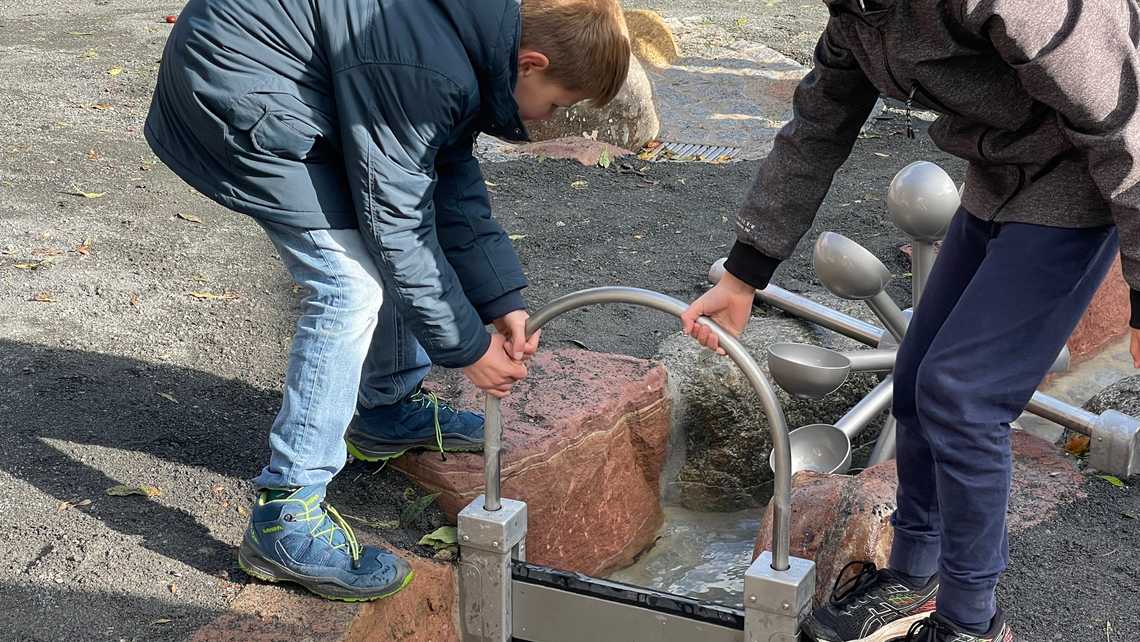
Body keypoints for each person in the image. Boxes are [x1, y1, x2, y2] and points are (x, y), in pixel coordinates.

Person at [682, 2, 1139, 641]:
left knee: (965, 395)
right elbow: (818, 124)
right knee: (920, 373)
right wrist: (744, 272)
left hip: (1086, 178)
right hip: (1000, 172)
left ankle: (972, 624)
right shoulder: (858, 15)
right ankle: (916, 575)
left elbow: (1123, 126)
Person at [145, 0, 629, 601]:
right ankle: (285, 517)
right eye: (557, 104)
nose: (548, 118)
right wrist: (467, 347)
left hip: (305, 80)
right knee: (349, 287)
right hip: (240, 87)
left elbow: (441, 176)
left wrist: (501, 297)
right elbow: (396, 222)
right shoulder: (430, 65)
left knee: (386, 234)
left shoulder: (465, 44)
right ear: (530, 63)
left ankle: (383, 412)